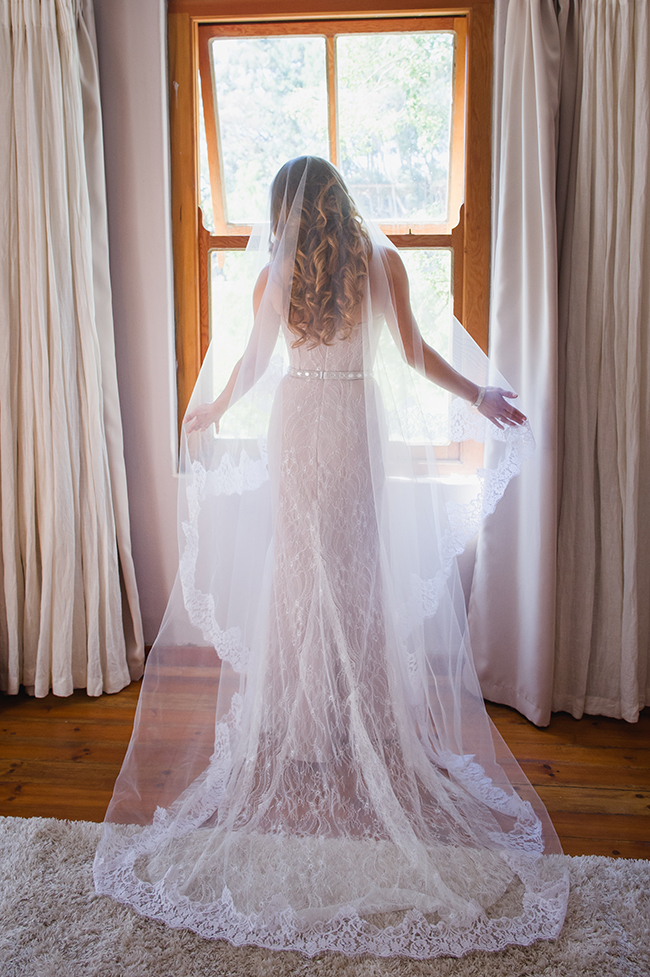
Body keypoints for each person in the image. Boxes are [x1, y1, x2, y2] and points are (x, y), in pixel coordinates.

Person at [94, 156, 569, 959]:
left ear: (285, 210)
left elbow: (252, 366)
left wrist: (212, 405)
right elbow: (415, 356)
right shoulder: (380, 263)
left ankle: (306, 725)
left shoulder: (278, 272)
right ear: (340, 201)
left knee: (301, 575)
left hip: (301, 421)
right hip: (350, 420)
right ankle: (352, 723)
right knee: (352, 573)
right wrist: (480, 395)